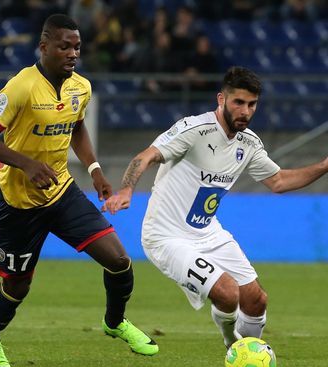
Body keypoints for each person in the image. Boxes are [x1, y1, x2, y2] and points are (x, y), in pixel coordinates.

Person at [0, 14, 158, 367]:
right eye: (64, 46)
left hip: (60, 191)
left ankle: (115, 322)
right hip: (17, 201)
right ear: (43, 47)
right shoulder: (20, 87)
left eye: (77, 47)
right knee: (18, 285)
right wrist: (25, 163)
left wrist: (95, 169)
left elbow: (76, 126)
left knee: (119, 261)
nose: (73, 53)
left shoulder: (80, 87)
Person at [103, 66, 328, 348]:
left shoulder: (249, 143)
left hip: (208, 233)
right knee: (227, 292)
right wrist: (126, 189)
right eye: (239, 102)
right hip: (166, 236)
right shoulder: (194, 129)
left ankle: (250, 354)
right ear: (221, 99)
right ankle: (233, 347)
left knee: (256, 299)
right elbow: (146, 156)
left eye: (252, 104)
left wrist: (324, 165)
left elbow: (279, 181)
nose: (245, 111)